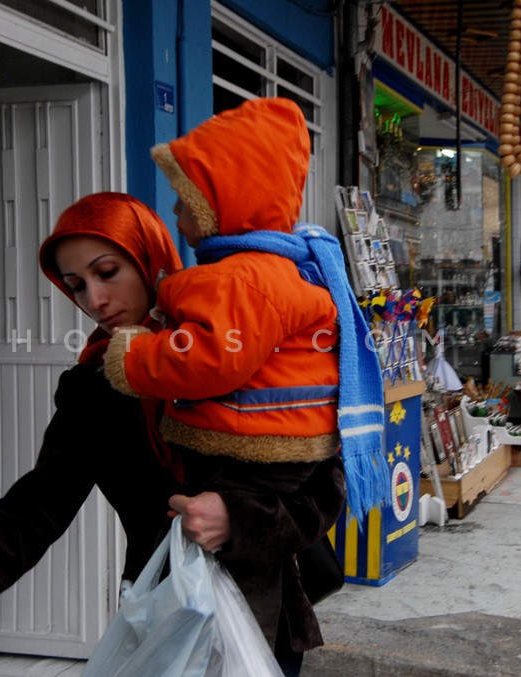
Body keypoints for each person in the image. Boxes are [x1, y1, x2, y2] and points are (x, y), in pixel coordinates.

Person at [0, 192, 344, 675]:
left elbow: (324, 486)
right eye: (76, 284)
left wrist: (239, 520)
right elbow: (29, 518)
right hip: (163, 620)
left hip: (267, 622)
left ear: (152, 259)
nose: (96, 299)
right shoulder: (94, 387)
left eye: (108, 272)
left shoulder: (244, 350)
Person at [102, 98, 388, 662]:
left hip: (253, 491)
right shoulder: (282, 272)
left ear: (225, 206)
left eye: (187, 201)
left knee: (242, 639)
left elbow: (211, 360)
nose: (177, 217)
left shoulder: (239, 282)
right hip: (192, 568)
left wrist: (133, 359)